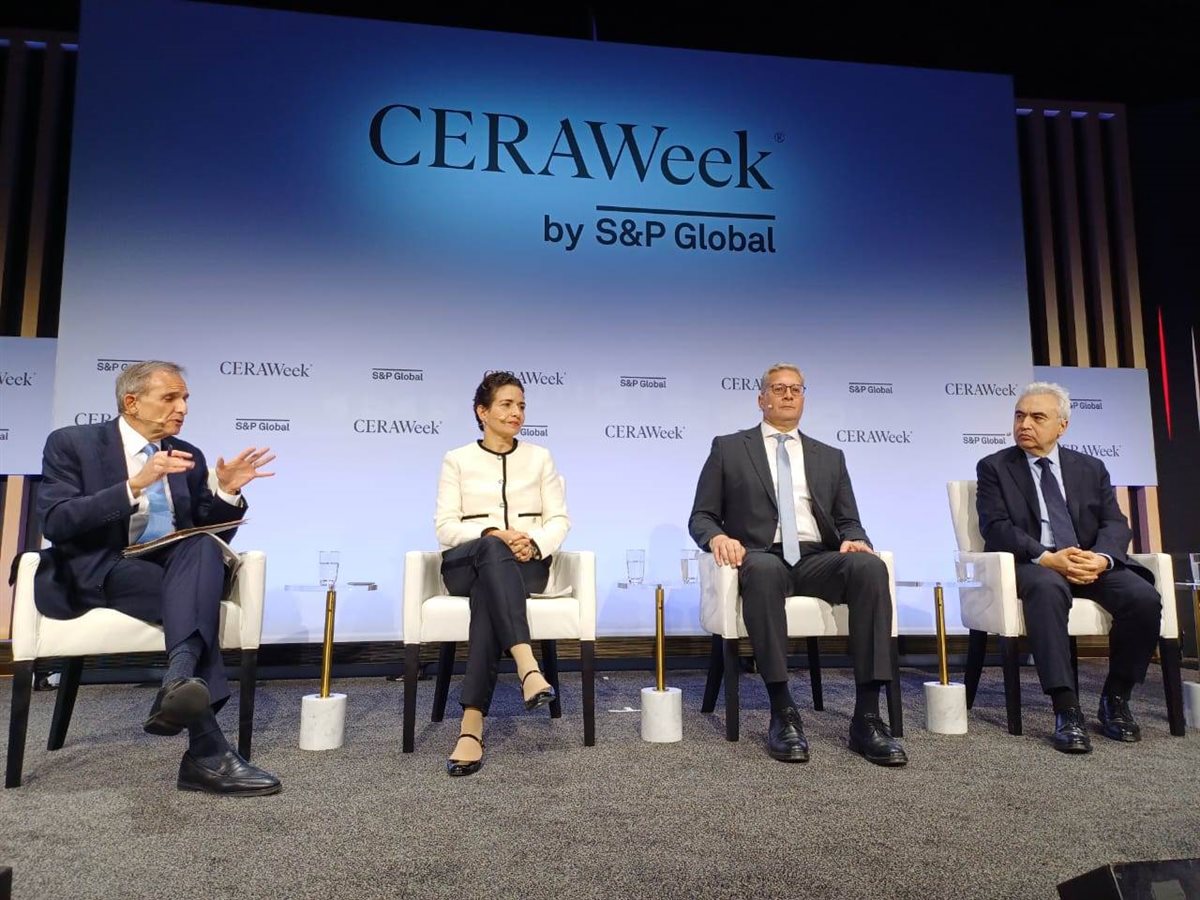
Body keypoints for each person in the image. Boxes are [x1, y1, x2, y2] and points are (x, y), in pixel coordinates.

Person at [36, 360, 281, 795]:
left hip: (167, 568)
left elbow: (205, 530)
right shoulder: (72, 443)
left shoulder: (188, 454)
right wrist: (134, 485)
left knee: (202, 547)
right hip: (100, 568)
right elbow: (56, 521)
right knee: (194, 605)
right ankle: (203, 744)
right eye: (170, 397)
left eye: (185, 398)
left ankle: (182, 688)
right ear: (131, 402)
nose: (182, 407)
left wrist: (227, 491)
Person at [688, 363, 906, 766]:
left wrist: (855, 540)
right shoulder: (729, 448)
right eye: (778, 388)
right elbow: (701, 516)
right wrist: (718, 538)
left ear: (804, 398)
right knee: (764, 571)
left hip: (816, 557)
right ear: (761, 399)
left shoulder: (830, 457)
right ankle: (783, 710)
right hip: (760, 554)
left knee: (871, 568)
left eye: (796, 389)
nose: (788, 395)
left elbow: (848, 521)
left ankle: (867, 717)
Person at [975, 381, 1161, 753]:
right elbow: (995, 527)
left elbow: (1115, 523)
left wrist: (1101, 558)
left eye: (1037, 417)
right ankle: (1066, 707)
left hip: (1087, 561)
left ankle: (1116, 698)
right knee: (1047, 588)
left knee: (1143, 598)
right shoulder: (995, 467)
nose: (1024, 424)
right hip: (1034, 562)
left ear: (1062, 426)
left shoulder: (1091, 468)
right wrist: (1046, 558)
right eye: (1019, 416)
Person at [434, 371, 570, 776]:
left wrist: (535, 544)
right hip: (465, 564)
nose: (517, 413)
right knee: (492, 550)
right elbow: (445, 527)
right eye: (507, 405)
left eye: (521, 406)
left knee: (488, 593)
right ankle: (527, 664)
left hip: (526, 566)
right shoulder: (457, 459)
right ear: (482, 411)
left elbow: (559, 519)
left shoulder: (540, 458)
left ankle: (471, 725)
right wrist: (491, 534)